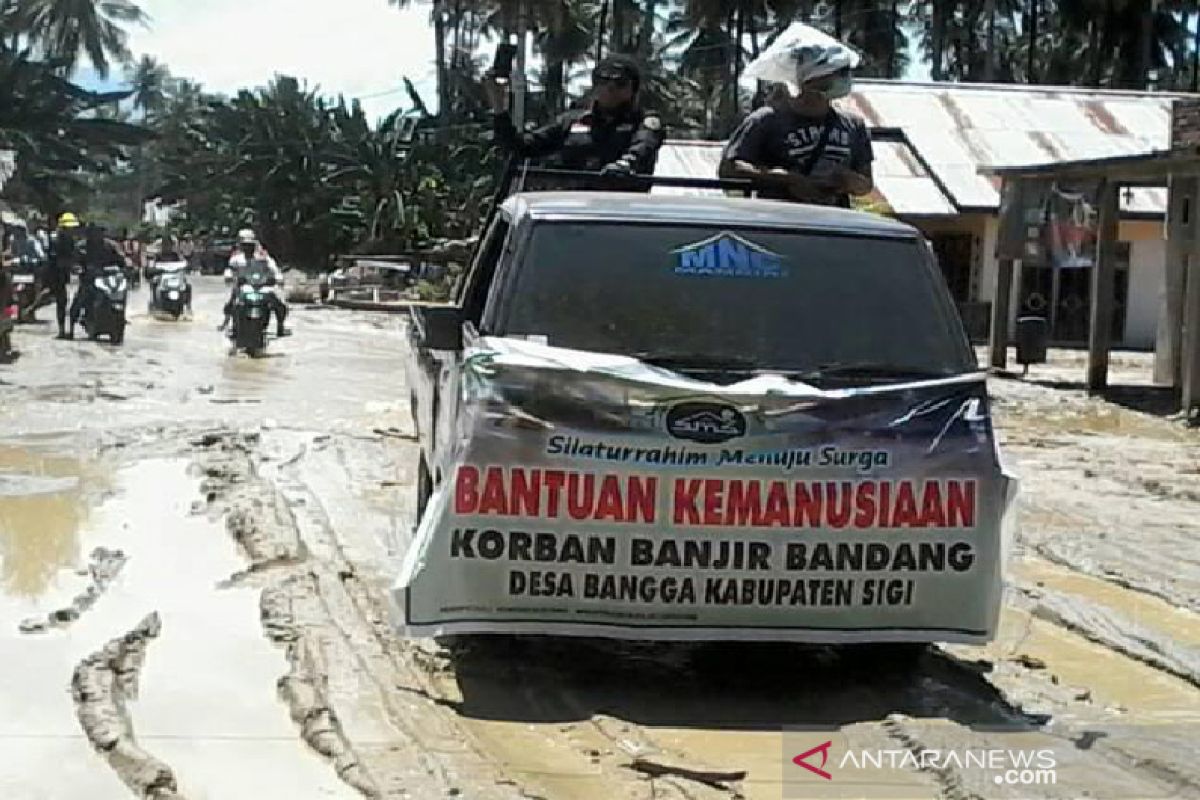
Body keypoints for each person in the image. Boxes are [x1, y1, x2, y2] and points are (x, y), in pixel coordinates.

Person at [718, 38, 873, 208]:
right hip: (781, 221)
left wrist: (849, 181)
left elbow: (866, 184)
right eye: (837, 72)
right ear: (812, 77)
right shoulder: (766, 120)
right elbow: (729, 168)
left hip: (833, 224)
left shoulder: (854, 125)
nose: (844, 78)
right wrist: (785, 179)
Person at [485, 54, 665, 188]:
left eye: (620, 83)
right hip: (571, 212)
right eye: (603, 81)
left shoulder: (645, 123)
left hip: (621, 215)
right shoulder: (570, 121)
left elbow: (643, 146)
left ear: (632, 90)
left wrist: (624, 165)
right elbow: (519, 147)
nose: (610, 88)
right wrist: (499, 107)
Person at [219, 229, 289, 337]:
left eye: (250, 245)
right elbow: (230, 270)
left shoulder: (263, 257)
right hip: (243, 288)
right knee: (233, 304)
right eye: (245, 245)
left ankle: (280, 326)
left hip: (262, 288)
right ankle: (235, 326)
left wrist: (278, 278)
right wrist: (229, 277)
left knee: (280, 305)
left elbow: (273, 269)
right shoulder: (236, 259)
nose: (248, 248)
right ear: (241, 246)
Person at [68, 224, 125, 339]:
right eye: (93, 232)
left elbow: (122, 259)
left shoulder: (111, 245)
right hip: (89, 280)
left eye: (99, 232)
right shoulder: (82, 246)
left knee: (120, 294)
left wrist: (128, 266)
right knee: (79, 300)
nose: (96, 235)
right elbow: (74, 261)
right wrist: (78, 268)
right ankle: (70, 328)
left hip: (108, 279)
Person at [44, 212, 81, 338]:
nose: (71, 230)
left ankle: (70, 330)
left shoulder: (71, 240)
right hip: (57, 275)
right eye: (69, 228)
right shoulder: (55, 239)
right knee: (62, 302)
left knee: (74, 302)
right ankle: (61, 330)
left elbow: (75, 256)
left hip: (67, 275)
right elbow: (52, 258)